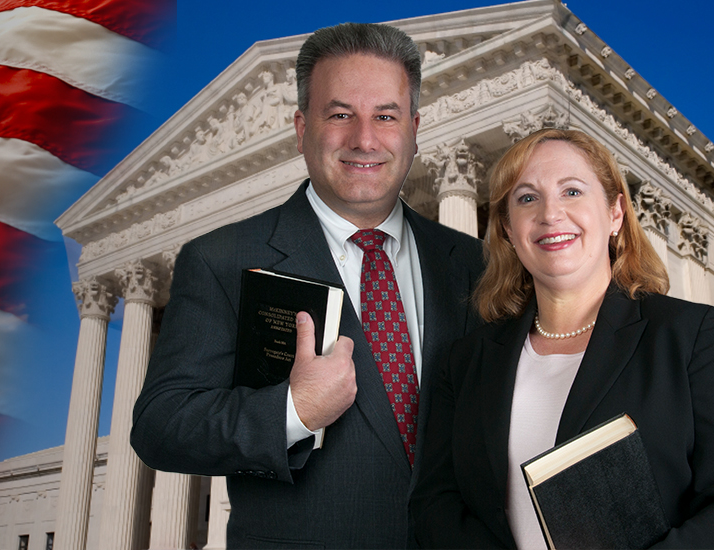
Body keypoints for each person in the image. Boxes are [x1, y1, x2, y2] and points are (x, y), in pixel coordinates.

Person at [130, 23, 485, 547]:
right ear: (301, 128)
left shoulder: (474, 263)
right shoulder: (222, 259)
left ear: (413, 128)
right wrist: (292, 412)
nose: (364, 139)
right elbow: (161, 427)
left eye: (385, 116)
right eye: (340, 115)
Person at [410, 128, 714, 548]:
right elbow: (435, 505)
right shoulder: (465, 363)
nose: (550, 214)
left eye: (572, 192)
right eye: (527, 198)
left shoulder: (692, 337)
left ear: (614, 214)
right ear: (509, 231)